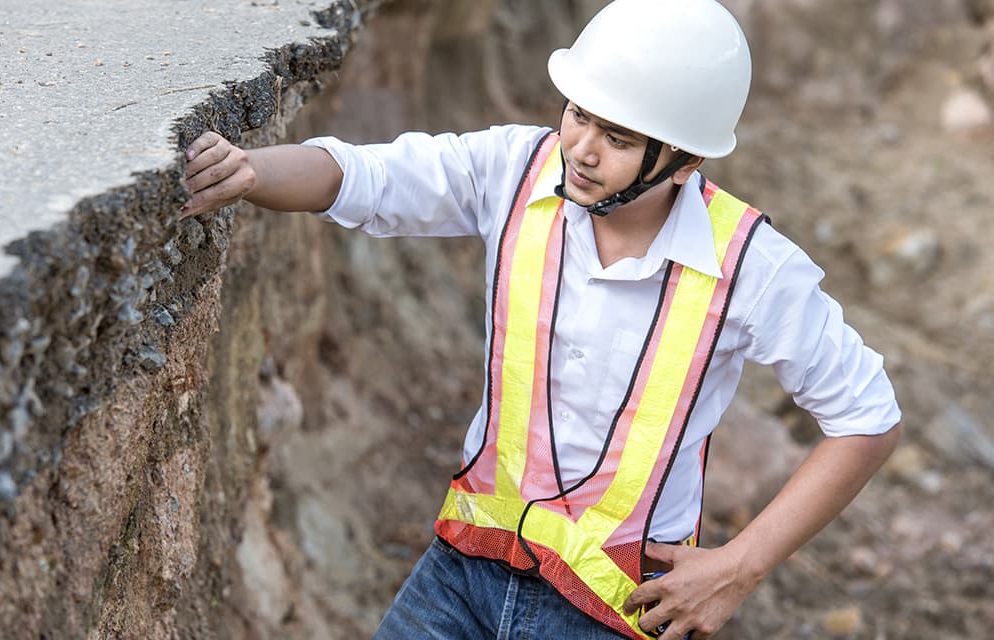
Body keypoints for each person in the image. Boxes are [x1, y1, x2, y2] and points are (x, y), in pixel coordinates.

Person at [178, 0, 902, 637]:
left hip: (614, 612)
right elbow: (365, 177)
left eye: (617, 138)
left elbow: (868, 417)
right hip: (461, 573)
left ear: (682, 162)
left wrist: (739, 568)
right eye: (580, 114)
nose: (582, 149)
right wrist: (250, 170)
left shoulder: (752, 266)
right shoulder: (515, 171)